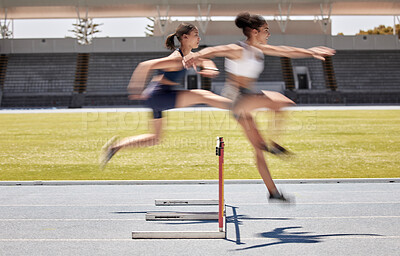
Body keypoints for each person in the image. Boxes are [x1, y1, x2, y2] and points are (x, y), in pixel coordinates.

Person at [184, 12, 335, 202]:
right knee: (282, 101)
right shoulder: (239, 49)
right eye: (266, 31)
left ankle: (273, 191)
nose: (268, 34)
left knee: (258, 148)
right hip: (237, 98)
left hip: (244, 104)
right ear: (255, 32)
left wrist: (311, 52)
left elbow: (286, 51)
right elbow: (215, 50)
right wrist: (195, 56)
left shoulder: (259, 51)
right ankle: (273, 142)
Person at [100, 23, 231, 169]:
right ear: (185, 37)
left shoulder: (189, 56)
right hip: (159, 94)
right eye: (196, 35)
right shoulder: (176, 59)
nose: (199, 38)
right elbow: (145, 65)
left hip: (158, 95)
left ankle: (115, 146)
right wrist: (135, 89)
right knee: (202, 95)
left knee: (155, 138)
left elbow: (205, 60)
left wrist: (210, 68)